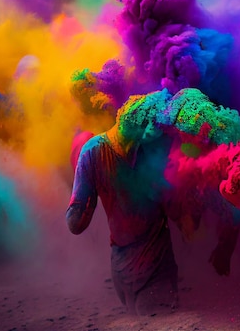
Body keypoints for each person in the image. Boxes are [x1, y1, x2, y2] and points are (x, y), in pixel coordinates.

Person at [66, 109, 179, 316]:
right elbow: (75, 222)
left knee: (148, 315)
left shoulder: (94, 150)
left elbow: (75, 222)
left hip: (149, 264)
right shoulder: (93, 151)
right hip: (124, 263)